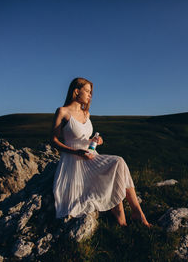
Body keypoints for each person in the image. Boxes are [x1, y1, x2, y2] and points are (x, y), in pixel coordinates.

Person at [51, 77, 151, 227]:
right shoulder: (63, 112)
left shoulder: (86, 114)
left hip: (90, 156)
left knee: (119, 164)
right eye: (87, 91)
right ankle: (127, 216)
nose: (90, 95)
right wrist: (77, 152)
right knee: (117, 163)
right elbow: (53, 140)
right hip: (74, 160)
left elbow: (86, 137)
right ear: (76, 91)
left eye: (91, 92)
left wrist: (97, 140)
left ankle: (136, 213)